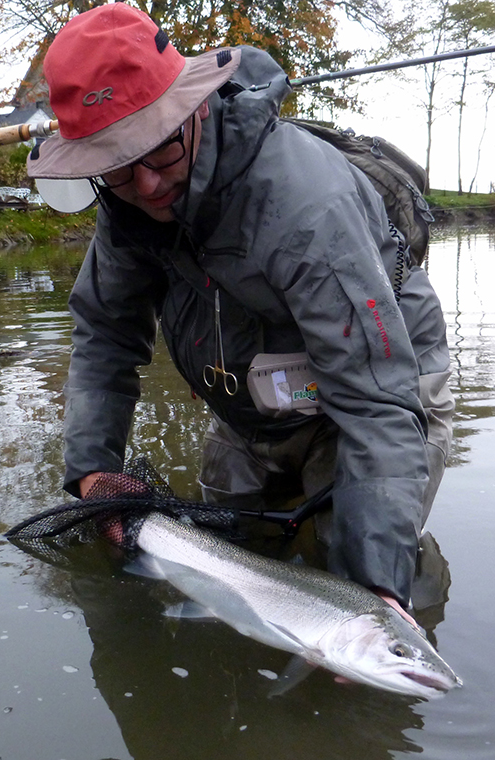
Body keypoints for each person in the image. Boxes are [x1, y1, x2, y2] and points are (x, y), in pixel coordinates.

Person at [27, 3, 454, 618]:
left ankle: (410, 610)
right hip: (252, 406)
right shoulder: (127, 211)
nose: (146, 185)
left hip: (376, 391)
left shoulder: (307, 205)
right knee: (227, 559)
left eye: (158, 150)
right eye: (118, 165)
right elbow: (105, 336)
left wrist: (376, 590)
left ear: (195, 108)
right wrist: (93, 472)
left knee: (373, 576)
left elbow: (374, 402)